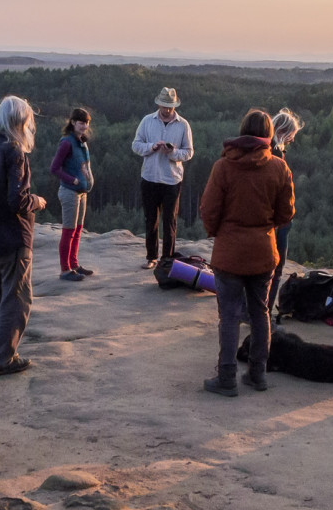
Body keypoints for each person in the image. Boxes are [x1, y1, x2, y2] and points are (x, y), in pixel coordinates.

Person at [199, 109, 295, 396]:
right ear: (268, 136)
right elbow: (287, 212)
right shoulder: (279, 167)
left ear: (242, 131)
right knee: (260, 312)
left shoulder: (223, 167)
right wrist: (265, 228)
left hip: (229, 253)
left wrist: (220, 232)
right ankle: (257, 374)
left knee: (228, 316)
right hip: (264, 252)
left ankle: (227, 378)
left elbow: (209, 210)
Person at [0, 96, 46, 377]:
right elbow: (17, 200)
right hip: (12, 237)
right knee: (17, 299)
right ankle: (1, 358)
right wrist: (37, 202)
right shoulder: (14, 151)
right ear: (21, 121)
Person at [131, 87, 194, 269]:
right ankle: (151, 257)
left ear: (174, 106)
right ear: (158, 104)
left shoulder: (183, 125)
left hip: (172, 180)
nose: (166, 110)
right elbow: (136, 145)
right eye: (164, 106)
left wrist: (173, 152)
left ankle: (168, 260)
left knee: (170, 221)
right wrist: (152, 147)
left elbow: (189, 152)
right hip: (150, 177)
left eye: (169, 107)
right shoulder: (147, 121)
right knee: (150, 219)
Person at [265, 108, 305, 317]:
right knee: (276, 266)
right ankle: (266, 311)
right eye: (291, 136)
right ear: (283, 131)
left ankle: (254, 309)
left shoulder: (263, 149)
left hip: (266, 217)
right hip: (278, 219)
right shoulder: (276, 153)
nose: (291, 140)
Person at [49, 107, 95, 282]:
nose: (84, 126)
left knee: (77, 230)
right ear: (73, 122)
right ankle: (65, 269)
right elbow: (54, 168)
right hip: (69, 192)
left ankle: (74, 264)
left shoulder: (81, 141)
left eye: (87, 123)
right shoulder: (67, 142)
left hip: (82, 193)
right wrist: (72, 180)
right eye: (81, 122)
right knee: (68, 231)